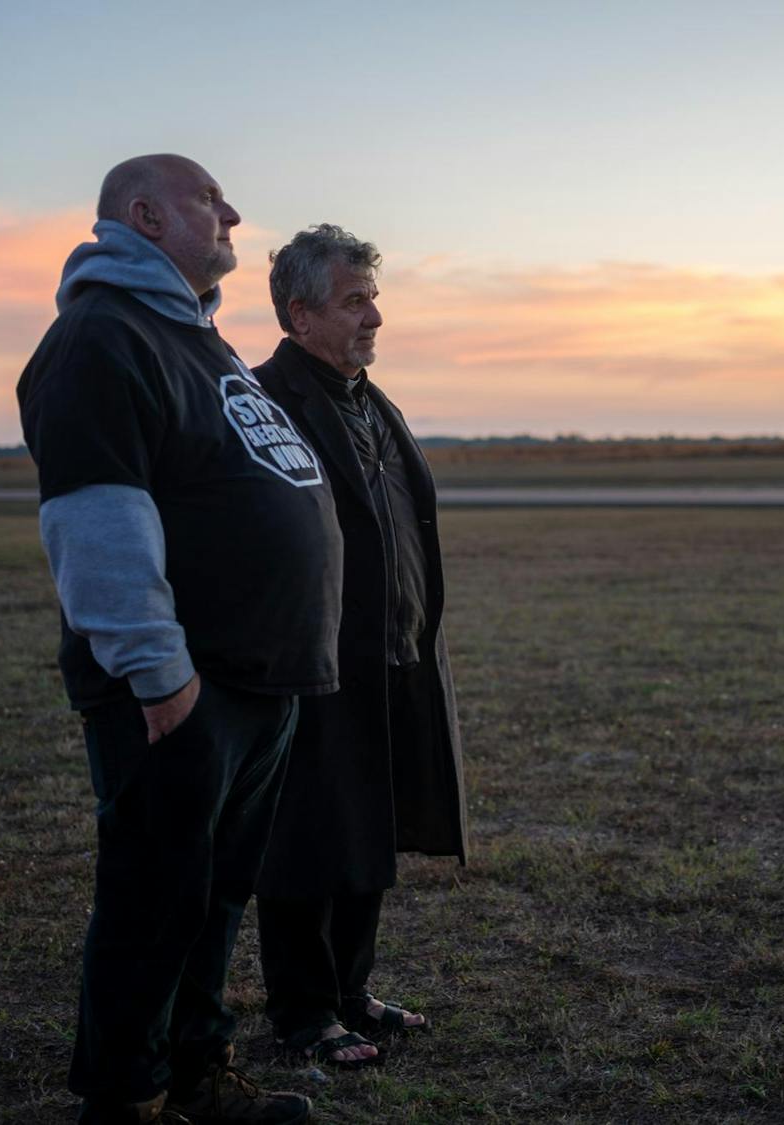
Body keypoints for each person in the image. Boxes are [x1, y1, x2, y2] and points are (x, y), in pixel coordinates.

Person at [17, 156, 341, 1125]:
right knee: (153, 903)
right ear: (147, 216)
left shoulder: (195, 339)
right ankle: (126, 1100)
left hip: (254, 684)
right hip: (180, 693)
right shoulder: (100, 339)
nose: (233, 212)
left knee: (215, 898)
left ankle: (197, 1074)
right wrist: (162, 679)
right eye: (211, 199)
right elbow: (97, 523)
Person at [251, 225, 467, 1068]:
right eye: (354, 301)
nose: (373, 316)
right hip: (316, 662)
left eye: (373, 298)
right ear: (300, 313)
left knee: (368, 830)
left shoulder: (372, 398)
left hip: (397, 652)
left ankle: (350, 992)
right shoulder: (265, 398)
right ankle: (304, 1012)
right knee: (307, 838)